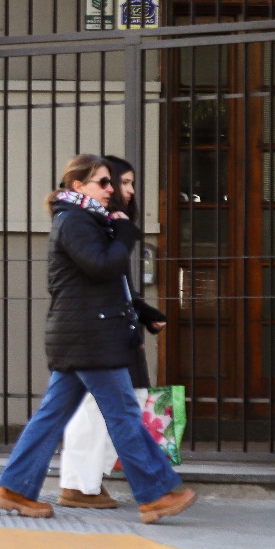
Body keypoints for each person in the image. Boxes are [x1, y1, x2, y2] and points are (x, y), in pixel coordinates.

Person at [0, 154, 196, 524]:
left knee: (52, 416)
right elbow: (101, 265)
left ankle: (14, 489)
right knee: (124, 415)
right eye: (102, 182)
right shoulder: (73, 221)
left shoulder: (86, 220)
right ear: (77, 186)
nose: (111, 189)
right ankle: (155, 494)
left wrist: (141, 309)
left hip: (84, 334)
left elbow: (102, 281)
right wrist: (127, 236)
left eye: (110, 182)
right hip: (89, 336)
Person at [56, 156, 168, 509]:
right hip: (97, 331)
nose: (128, 190)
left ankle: (90, 482)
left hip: (114, 326)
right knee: (94, 408)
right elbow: (99, 272)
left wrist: (142, 310)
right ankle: (79, 484)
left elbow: (116, 282)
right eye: (123, 183)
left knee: (127, 402)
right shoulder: (88, 223)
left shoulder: (107, 223)